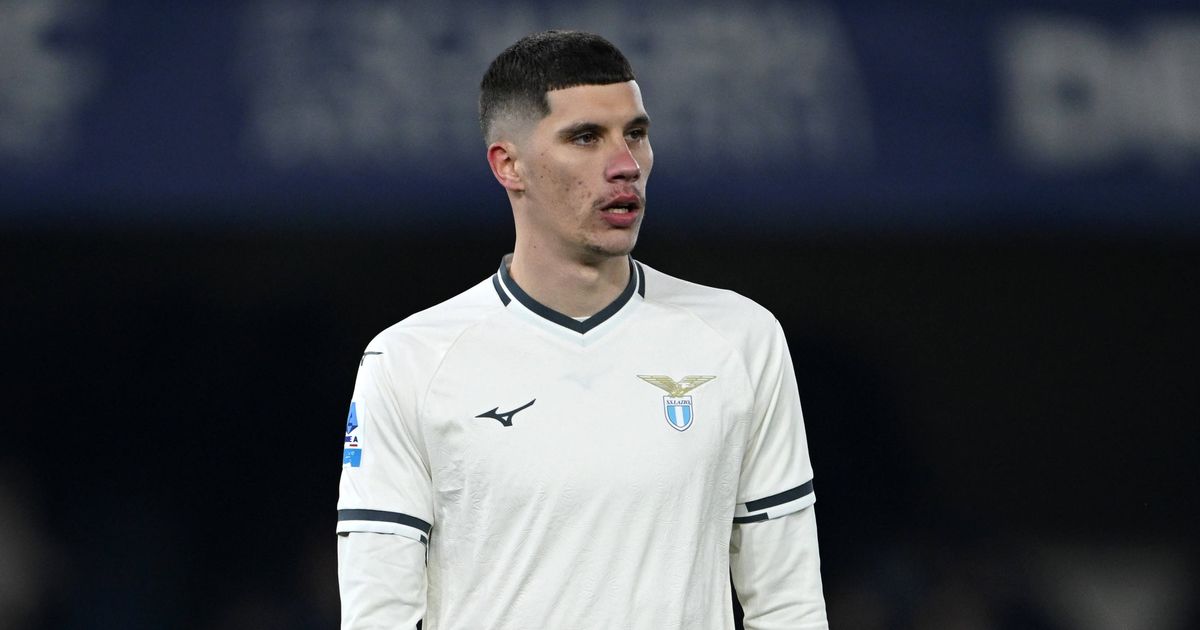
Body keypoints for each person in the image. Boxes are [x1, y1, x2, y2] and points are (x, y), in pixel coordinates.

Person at [336, 30, 828, 629]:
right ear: (509, 165)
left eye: (635, 134)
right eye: (586, 137)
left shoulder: (741, 339)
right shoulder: (410, 360)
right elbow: (378, 614)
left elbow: (788, 604)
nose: (625, 166)